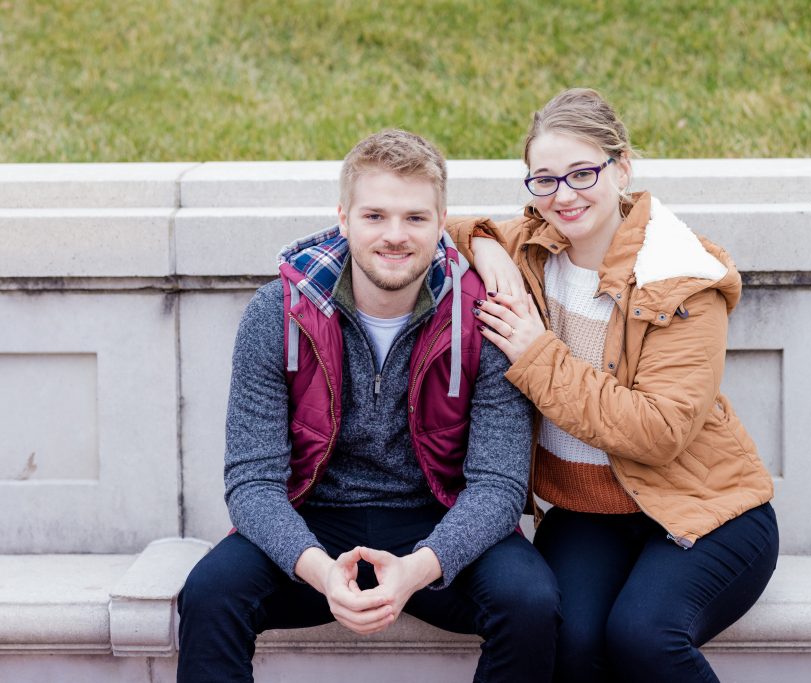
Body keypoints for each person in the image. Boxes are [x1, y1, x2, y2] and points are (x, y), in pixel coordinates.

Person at [177, 129, 559, 683]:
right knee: (210, 595)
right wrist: (322, 574)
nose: (395, 236)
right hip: (314, 517)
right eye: (375, 216)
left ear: (442, 221)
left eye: (415, 218)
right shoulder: (277, 313)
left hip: (439, 515)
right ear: (343, 217)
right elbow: (252, 482)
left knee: (531, 603)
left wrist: (414, 572)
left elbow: (498, 489)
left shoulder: (483, 318)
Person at [448, 88, 779, 683]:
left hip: (704, 510)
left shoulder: (680, 277)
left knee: (644, 638)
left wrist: (536, 354)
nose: (563, 196)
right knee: (566, 644)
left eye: (582, 173)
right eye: (543, 180)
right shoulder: (533, 247)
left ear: (622, 166)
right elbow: (433, 225)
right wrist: (486, 248)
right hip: (587, 513)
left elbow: (658, 432)